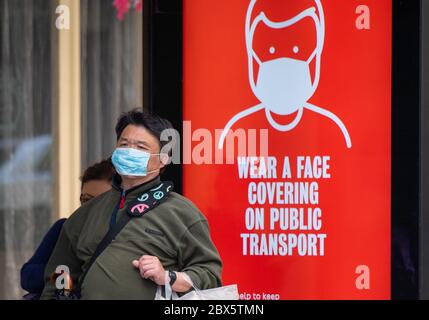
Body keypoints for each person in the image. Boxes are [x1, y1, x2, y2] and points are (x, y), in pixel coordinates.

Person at [40, 110, 222, 300]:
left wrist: (168, 277)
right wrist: (59, 295)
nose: (130, 151)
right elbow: (61, 271)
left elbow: (210, 275)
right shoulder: (87, 212)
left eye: (141, 147)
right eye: (124, 144)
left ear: (163, 159)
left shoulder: (182, 213)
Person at [20, 159, 115, 299]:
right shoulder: (65, 227)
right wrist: (64, 273)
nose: (89, 208)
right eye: (86, 200)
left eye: (99, 202)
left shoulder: (126, 234)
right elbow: (27, 276)